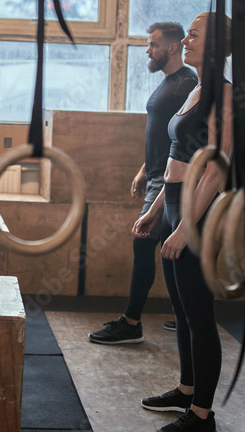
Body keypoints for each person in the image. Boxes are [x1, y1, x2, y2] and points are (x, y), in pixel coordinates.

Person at [131, 12, 233, 432]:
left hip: (198, 210)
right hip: (173, 202)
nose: (185, 41)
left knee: (199, 313)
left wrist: (187, 225)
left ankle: (202, 416)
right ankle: (186, 391)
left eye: (193, 35)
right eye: (187, 34)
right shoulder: (197, 90)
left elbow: (218, 166)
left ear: (217, 44)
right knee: (181, 307)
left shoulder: (223, 95)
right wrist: (157, 211)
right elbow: (176, 157)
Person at [88, 22, 197, 345]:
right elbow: (164, 133)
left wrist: (161, 178)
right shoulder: (169, 83)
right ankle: (186, 315)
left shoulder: (188, 83)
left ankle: (132, 322)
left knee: (145, 242)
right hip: (154, 176)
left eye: (153, 45)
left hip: (169, 180)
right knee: (160, 249)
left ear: (172, 47)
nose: (148, 51)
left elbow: (185, 140)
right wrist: (142, 169)